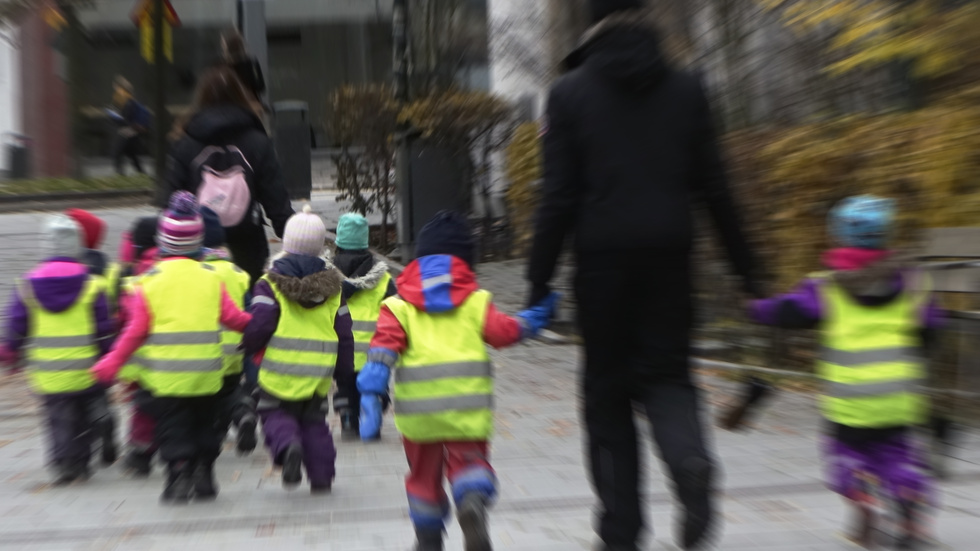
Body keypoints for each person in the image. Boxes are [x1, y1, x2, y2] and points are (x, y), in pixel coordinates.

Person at [525, 1, 763, 549]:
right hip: (670, 262)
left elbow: (557, 198)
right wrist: (750, 273)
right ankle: (690, 462)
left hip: (603, 265)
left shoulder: (570, 94)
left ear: (593, 20)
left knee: (607, 396)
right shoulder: (688, 89)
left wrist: (540, 280)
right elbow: (717, 189)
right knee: (668, 378)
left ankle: (621, 530)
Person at [357, 211, 556, 551]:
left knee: (423, 477)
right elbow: (503, 332)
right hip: (467, 409)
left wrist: (372, 392)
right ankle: (471, 500)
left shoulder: (398, 305)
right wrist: (533, 319)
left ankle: (429, 539)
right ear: (465, 262)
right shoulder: (475, 301)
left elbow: (382, 350)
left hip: (419, 417)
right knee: (470, 464)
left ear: (419, 258)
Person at [750, 196, 939, 549]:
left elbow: (789, 311)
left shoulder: (826, 286)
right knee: (898, 456)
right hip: (898, 400)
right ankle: (911, 510)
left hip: (849, 404)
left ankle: (860, 492)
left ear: (839, 235)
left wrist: (757, 308)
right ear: (888, 233)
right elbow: (930, 330)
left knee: (844, 454)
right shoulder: (913, 282)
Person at [91, 192, 252, 504]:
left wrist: (112, 362)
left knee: (173, 428)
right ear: (198, 243)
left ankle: (178, 475)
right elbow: (235, 319)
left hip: (167, 380)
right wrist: (261, 325)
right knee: (205, 424)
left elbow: (135, 332)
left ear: (163, 241)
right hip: (206, 377)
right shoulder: (210, 279)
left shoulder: (147, 282)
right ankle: (205, 474)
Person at [243, 205, 355, 493]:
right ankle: (321, 477)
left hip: (279, 371)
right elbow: (343, 334)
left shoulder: (270, 285)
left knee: (275, 415)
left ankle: (288, 447)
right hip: (318, 373)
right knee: (314, 422)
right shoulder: (334, 289)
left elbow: (261, 323)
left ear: (286, 244)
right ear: (320, 248)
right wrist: (344, 373)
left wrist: (247, 344)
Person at [0, 215, 116, 484]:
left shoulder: (27, 284)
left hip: (48, 372)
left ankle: (63, 462)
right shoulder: (92, 284)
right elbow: (103, 327)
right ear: (76, 246)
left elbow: (18, 324)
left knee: (58, 418)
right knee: (82, 416)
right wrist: (108, 354)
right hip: (85, 369)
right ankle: (83, 461)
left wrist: (10, 352)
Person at [160, 66, 294, 286]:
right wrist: (299, 246)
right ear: (241, 96)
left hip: (196, 251)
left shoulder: (185, 143)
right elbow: (277, 203)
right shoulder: (258, 142)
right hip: (248, 248)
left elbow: (169, 201)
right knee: (249, 310)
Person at [330, 213, 397, 441]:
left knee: (345, 386)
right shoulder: (384, 279)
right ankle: (374, 407)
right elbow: (396, 312)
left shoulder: (327, 276)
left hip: (341, 350)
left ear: (338, 241)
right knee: (374, 385)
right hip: (374, 352)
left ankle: (348, 418)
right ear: (366, 242)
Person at [200, 207, 258, 455]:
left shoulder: (197, 273)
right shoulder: (237, 273)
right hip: (234, 350)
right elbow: (249, 314)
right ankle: (243, 413)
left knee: (209, 399)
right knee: (231, 391)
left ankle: (216, 432)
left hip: (205, 351)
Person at [115, 216, 163, 476]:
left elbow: (122, 318)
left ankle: (141, 453)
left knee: (143, 406)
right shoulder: (171, 268)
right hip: (174, 354)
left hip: (140, 358)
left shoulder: (132, 276)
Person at [110, 76, 146, 176]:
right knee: (132, 156)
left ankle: (121, 176)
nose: (116, 90)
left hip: (127, 131)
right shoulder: (128, 98)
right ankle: (141, 175)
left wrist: (115, 115)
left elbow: (125, 117)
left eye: (116, 87)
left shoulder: (126, 99)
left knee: (117, 154)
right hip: (131, 131)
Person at [221, 29, 266, 105]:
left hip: (232, 105)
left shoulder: (223, 67)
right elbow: (261, 87)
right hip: (251, 104)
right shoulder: (252, 63)